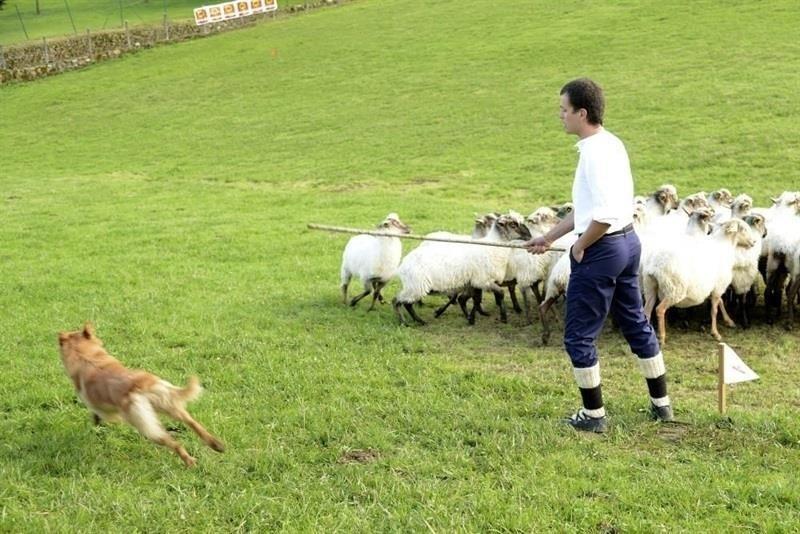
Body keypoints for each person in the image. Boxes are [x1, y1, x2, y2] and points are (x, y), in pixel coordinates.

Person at [525, 78, 673, 433]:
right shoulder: (611, 143)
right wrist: (549, 237)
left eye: (564, 110)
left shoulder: (593, 154)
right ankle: (662, 406)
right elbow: (588, 208)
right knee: (635, 323)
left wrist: (580, 246)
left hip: (602, 249)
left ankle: (593, 416)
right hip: (628, 244)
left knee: (578, 335)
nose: (560, 115)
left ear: (582, 113)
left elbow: (602, 216)